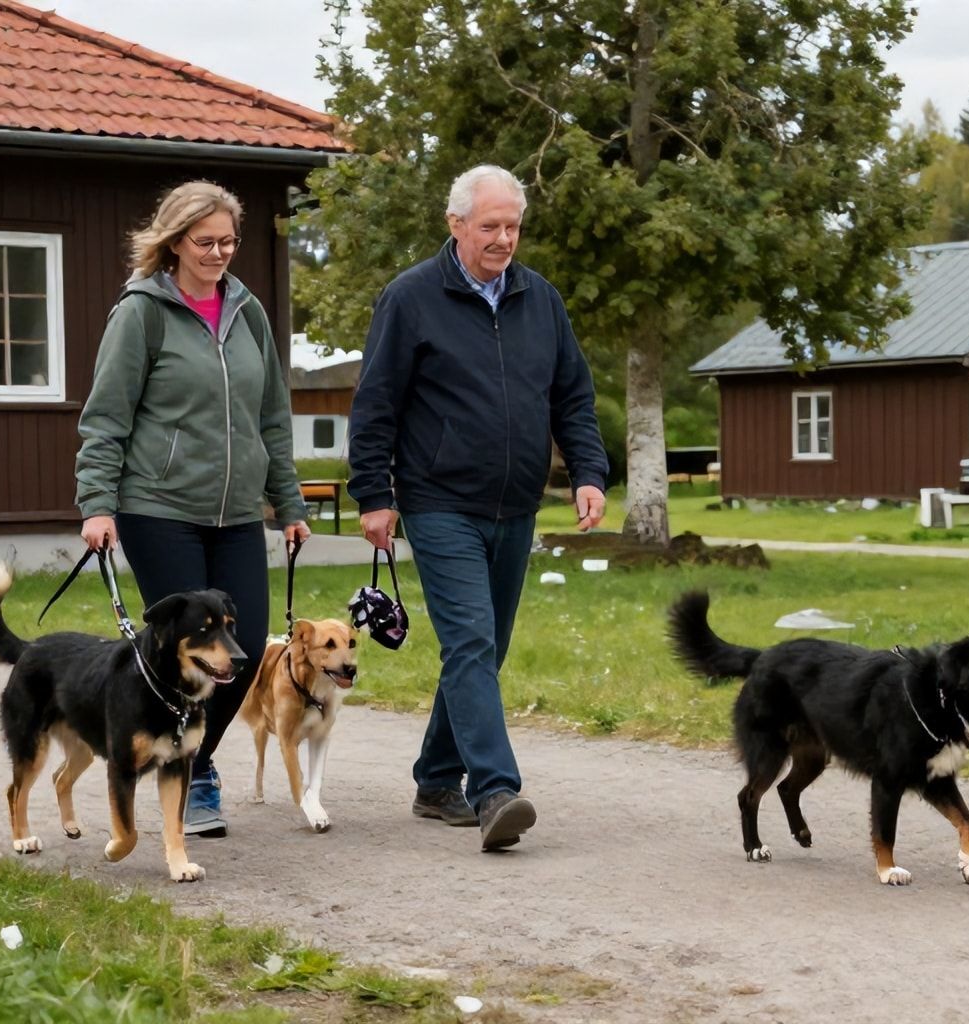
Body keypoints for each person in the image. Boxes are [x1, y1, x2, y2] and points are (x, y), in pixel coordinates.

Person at [347, 164, 609, 852]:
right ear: (456, 224)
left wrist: (589, 472)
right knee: (469, 640)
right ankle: (494, 790)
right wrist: (374, 493)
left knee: (483, 650)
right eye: (489, 226)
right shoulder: (410, 299)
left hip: (516, 503)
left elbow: (572, 397)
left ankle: (435, 780)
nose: (502, 239)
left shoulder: (540, 300)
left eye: (512, 226)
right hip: (438, 502)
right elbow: (376, 403)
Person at [76, 180, 310, 838]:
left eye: (228, 241)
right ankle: (195, 778)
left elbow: (272, 415)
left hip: (238, 512)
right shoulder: (143, 311)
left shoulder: (247, 311)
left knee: (239, 654)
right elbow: (107, 416)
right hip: (158, 506)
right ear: (175, 240)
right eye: (205, 242)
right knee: (180, 653)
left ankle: (191, 758)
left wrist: (287, 500)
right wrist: (97, 502)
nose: (218, 253)